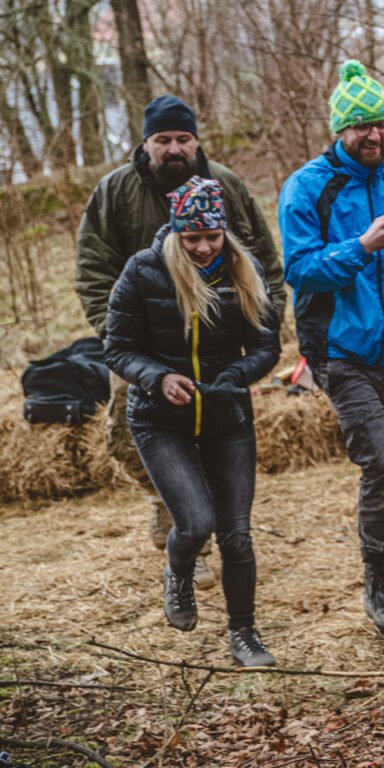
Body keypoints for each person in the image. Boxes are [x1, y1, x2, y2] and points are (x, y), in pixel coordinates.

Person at [76, 95, 285, 587]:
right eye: (163, 139)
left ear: (196, 141)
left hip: (216, 344)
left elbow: (263, 260)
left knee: (215, 432)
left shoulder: (227, 186)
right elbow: (91, 268)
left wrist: (265, 325)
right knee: (132, 441)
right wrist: (118, 339)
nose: (174, 148)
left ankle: (203, 533)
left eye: (183, 139)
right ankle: (171, 510)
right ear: (146, 142)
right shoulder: (115, 191)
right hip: (140, 346)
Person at [278, 60, 384, 636]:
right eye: (362, 127)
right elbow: (299, 270)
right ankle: (381, 587)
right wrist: (361, 245)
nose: (374, 136)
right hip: (337, 349)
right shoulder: (307, 187)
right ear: (339, 130)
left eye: (382, 125)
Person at [102, 177, 282, 666]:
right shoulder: (143, 271)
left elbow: (268, 346)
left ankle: (243, 634)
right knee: (197, 522)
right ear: (176, 233)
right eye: (192, 239)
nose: (204, 248)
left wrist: (236, 375)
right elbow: (116, 347)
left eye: (212, 237)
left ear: (225, 232)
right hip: (161, 419)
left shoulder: (245, 270)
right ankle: (178, 570)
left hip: (227, 416)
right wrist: (158, 377)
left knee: (237, 535)